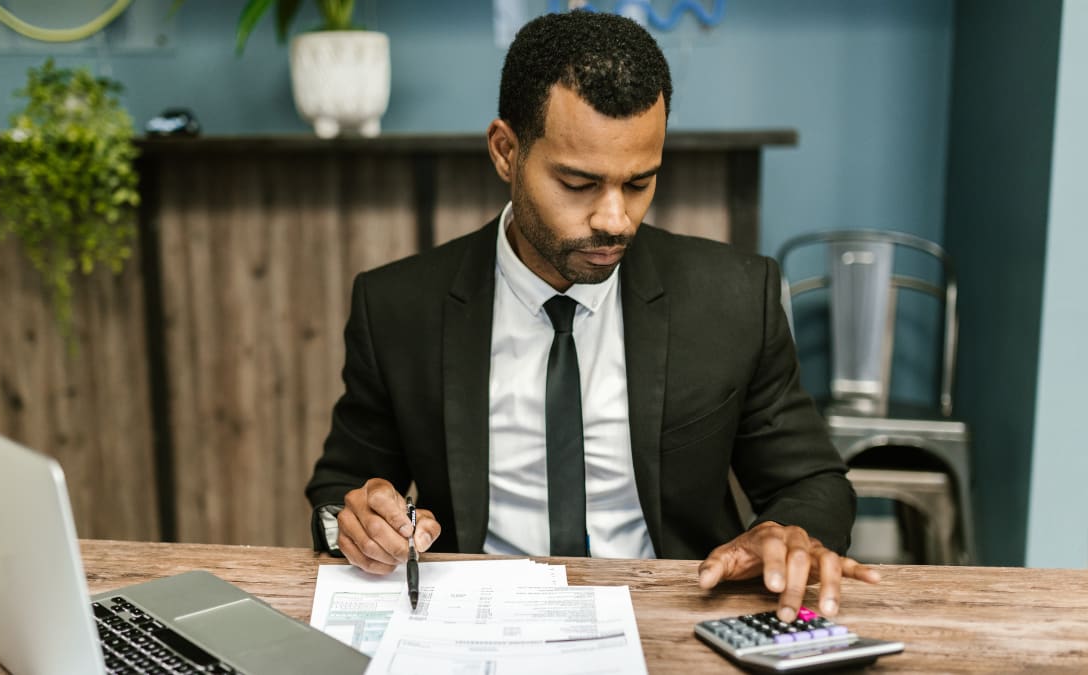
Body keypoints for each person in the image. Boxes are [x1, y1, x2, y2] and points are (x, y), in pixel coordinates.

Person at [306, 10, 879, 623]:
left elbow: (814, 483)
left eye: (639, 183)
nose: (614, 219)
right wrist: (355, 522)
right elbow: (341, 490)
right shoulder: (399, 306)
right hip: (474, 622)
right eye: (578, 183)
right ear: (506, 151)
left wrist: (787, 531)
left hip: (676, 616)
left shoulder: (736, 298)